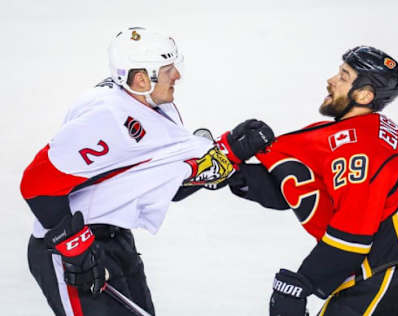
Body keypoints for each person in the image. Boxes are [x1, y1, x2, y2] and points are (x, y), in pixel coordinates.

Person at [20, 26, 274, 316]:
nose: (177, 75)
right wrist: (77, 250)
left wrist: (230, 152)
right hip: (68, 251)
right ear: (142, 79)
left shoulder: (156, 107)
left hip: (115, 241)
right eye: (168, 70)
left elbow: (170, 183)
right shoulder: (106, 119)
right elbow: (36, 185)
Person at [226, 46, 398, 315]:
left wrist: (303, 284)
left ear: (364, 94)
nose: (331, 80)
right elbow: (306, 187)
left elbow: (352, 236)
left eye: (344, 76)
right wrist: (239, 176)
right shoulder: (370, 130)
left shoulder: (361, 151)